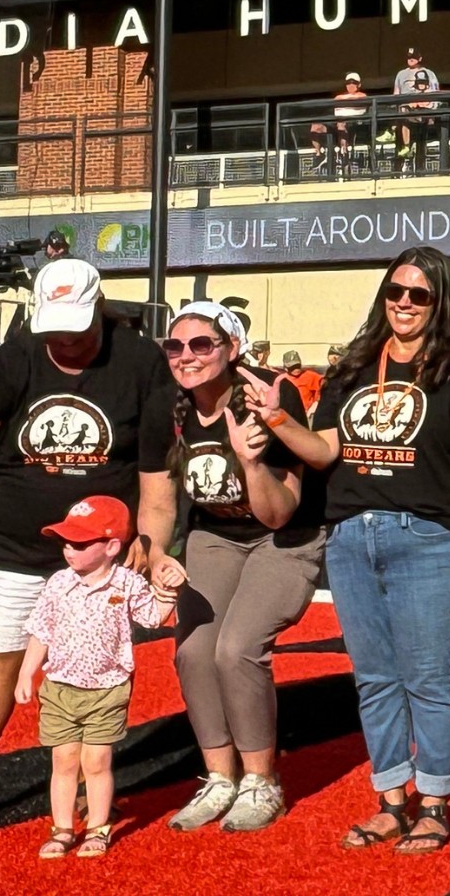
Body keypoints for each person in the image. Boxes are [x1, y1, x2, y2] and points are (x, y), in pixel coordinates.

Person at [0, 258, 180, 836]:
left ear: (100, 308)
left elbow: (157, 473)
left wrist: (150, 541)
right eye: (55, 328)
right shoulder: (18, 353)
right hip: (13, 541)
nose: (66, 342)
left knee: (93, 668)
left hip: (102, 553)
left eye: (76, 328)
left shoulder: (140, 361)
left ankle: (84, 780)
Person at [271, 247, 450, 855]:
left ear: (440, 300)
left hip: (428, 537)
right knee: (373, 679)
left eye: (419, 295)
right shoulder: (352, 368)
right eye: (396, 290)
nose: (404, 302)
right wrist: (277, 422)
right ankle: (392, 801)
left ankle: (435, 803)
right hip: (351, 536)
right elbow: (324, 452)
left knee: (429, 678)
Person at [157, 302, 320, 835]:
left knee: (237, 648)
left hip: (285, 533)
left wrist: (249, 462)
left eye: (202, 344)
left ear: (231, 349)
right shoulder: (170, 405)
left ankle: (260, 780)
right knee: (194, 652)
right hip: (215, 534)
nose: (187, 356)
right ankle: (219, 777)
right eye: (175, 346)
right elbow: (157, 496)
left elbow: (280, 510)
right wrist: (157, 552)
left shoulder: (268, 393)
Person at [16, 494, 184, 859]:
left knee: (97, 762)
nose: (68, 551)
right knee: (63, 761)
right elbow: (42, 629)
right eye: (65, 542)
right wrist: (27, 671)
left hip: (108, 689)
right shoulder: (59, 584)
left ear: (111, 546)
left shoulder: (126, 584)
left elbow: (153, 618)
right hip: (59, 687)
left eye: (78, 543)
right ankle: (61, 829)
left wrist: (168, 589)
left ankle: (97, 828)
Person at [309, 74, 372, 174]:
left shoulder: (362, 95)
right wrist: (345, 99)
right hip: (335, 121)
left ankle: (344, 154)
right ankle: (318, 154)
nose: (350, 85)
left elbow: (359, 98)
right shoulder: (340, 96)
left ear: (359, 85)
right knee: (315, 125)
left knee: (341, 124)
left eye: (353, 83)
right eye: (348, 83)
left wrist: (344, 99)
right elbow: (337, 98)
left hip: (353, 124)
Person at [390, 48, 442, 161]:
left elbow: (434, 92)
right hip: (406, 110)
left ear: (420, 58)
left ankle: (419, 161)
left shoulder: (429, 73)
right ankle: (406, 146)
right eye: (409, 57)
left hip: (424, 109)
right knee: (402, 112)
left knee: (421, 139)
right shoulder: (401, 74)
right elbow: (396, 94)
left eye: (413, 57)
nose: (411, 59)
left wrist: (429, 107)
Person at [282, 349, 325, 414]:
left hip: (307, 413)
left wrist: (316, 403)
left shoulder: (310, 376)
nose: (296, 369)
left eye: (298, 366)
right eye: (292, 367)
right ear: (285, 368)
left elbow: (324, 387)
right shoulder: (281, 379)